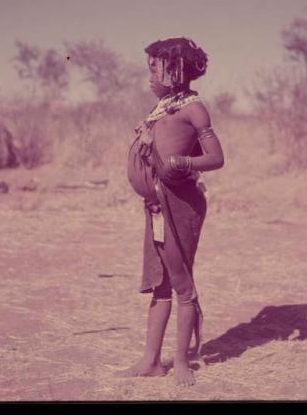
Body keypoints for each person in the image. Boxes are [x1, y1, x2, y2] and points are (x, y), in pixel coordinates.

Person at [121, 37, 224, 386]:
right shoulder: (164, 106)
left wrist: (180, 161)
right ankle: (151, 361)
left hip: (179, 205)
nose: (149, 77)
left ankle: (181, 362)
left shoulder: (194, 108)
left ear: (174, 69)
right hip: (156, 204)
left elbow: (216, 158)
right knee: (160, 284)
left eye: (154, 69)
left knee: (181, 283)